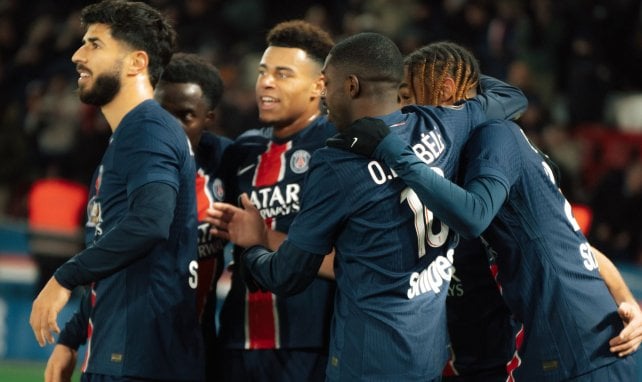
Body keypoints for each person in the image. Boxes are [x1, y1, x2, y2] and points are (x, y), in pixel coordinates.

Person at [225, 32, 527, 381]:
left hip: (365, 365)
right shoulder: (445, 124)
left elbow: (289, 274)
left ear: (351, 86)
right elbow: (511, 97)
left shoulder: (336, 163)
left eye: (328, 83)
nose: (324, 93)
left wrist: (252, 253)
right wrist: (410, 68)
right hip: (428, 360)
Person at [330, 94, 642, 380]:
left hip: (506, 356)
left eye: (411, 100)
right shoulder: (389, 183)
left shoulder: (483, 170)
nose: (405, 113)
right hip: (447, 357)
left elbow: (571, 247)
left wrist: (626, 299)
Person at [400, 40, 642, 382]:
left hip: (570, 343)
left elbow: (473, 217)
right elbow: (567, 242)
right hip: (562, 339)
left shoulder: (492, 136)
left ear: (446, 91)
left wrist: (399, 159)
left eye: (407, 96)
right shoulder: (480, 145)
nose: (401, 112)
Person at [29, 1, 204, 382]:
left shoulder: (147, 129)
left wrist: (64, 278)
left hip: (139, 358)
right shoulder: (131, 134)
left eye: (94, 44)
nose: (77, 55)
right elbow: (119, 251)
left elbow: (149, 222)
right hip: (124, 350)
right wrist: (72, 337)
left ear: (136, 62)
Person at [207, 20, 337, 382]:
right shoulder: (243, 148)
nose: (265, 82)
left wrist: (264, 239)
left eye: (283, 74)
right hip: (238, 338)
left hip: (310, 343)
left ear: (320, 85)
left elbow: (354, 261)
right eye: (263, 72)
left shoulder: (339, 147)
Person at [154, 52, 232, 381]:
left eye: (185, 116)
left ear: (208, 117)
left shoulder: (227, 162)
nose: (171, 128)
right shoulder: (128, 163)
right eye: (162, 114)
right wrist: (71, 337)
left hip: (200, 344)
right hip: (138, 344)